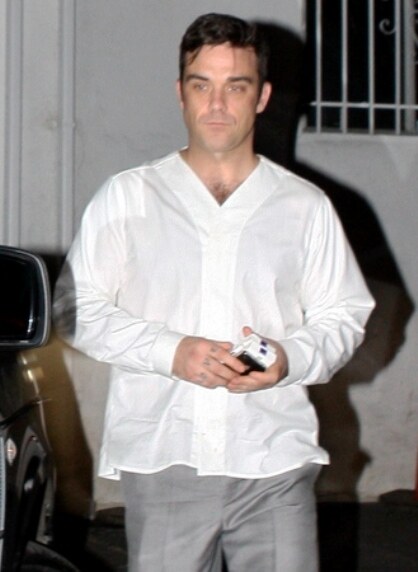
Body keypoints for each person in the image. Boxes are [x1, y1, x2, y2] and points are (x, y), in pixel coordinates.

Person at [53, 13, 375, 572]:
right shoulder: (129, 197)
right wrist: (171, 351)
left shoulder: (304, 206)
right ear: (180, 93)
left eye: (236, 86)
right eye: (202, 85)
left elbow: (344, 314)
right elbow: (75, 309)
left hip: (272, 455)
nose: (218, 104)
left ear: (263, 96)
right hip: (166, 455)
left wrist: (289, 357)